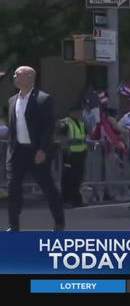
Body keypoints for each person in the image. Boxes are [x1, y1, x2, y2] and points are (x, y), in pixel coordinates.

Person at [6, 66, 65, 231]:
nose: (15, 77)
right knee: (13, 188)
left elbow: (48, 127)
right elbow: (13, 126)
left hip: (37, 151)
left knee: (48, 188)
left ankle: (59, 222)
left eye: (18, 74)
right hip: (18, 152)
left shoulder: (43, 99)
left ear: (30, 77)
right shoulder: (12, 100)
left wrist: (43, 149)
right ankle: (13, 225)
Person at [58, 104, 88, 208]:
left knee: (77, 178)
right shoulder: (65, 122)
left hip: (80, 153)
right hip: (70, 153)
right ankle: (66, 200)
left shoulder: (81, 123)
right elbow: (61, 137)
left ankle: (76, 199)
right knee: (68, 177)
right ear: (71, 113)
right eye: (77, 112)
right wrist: (66, 149)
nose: (79, 114)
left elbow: (86, 135)